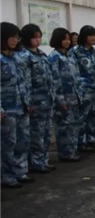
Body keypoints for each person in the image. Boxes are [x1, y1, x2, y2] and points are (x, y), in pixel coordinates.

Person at [19, 24, 56, 173]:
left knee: (46, 133)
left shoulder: (41, 55)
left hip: (47, 100)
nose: (38, 40)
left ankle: (43, 160)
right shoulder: (24, 56)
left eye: (40, 37)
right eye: (34, 37)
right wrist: (28, 102)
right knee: (36, 134)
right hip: (35, 101)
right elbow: (25, 81)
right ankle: (35, 161)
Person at [1, 22, 32, 188]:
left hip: (21, 107)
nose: (14, 40)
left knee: (22, 141)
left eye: (17, 37)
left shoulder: (16, 58)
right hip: (7, 110)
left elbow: (23, 82)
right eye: (11, 37)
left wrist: (28, 102)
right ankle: (7, 176)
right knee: (7, 144)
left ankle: (21, 172)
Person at [48, 28, 84, 162]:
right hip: (63, 98)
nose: (67, 42)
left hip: (74, 97)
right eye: (64, 39)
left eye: (68, 39)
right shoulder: (54, 57)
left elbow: (77, 77)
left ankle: (72, 151)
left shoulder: (70, 56)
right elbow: (54, 80)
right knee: (64, 127)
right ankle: (65, 153)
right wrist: (60, 100)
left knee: (74, 126)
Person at [72, 25, 95, 151]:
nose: (93, 38)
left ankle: (92, 139)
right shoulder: (75, 52)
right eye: (90, 35)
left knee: (94, 115)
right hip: (83, 90)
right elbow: (73, 71)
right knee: (82, 117)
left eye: (94, 35)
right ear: (84, 37)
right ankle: (80, 142)